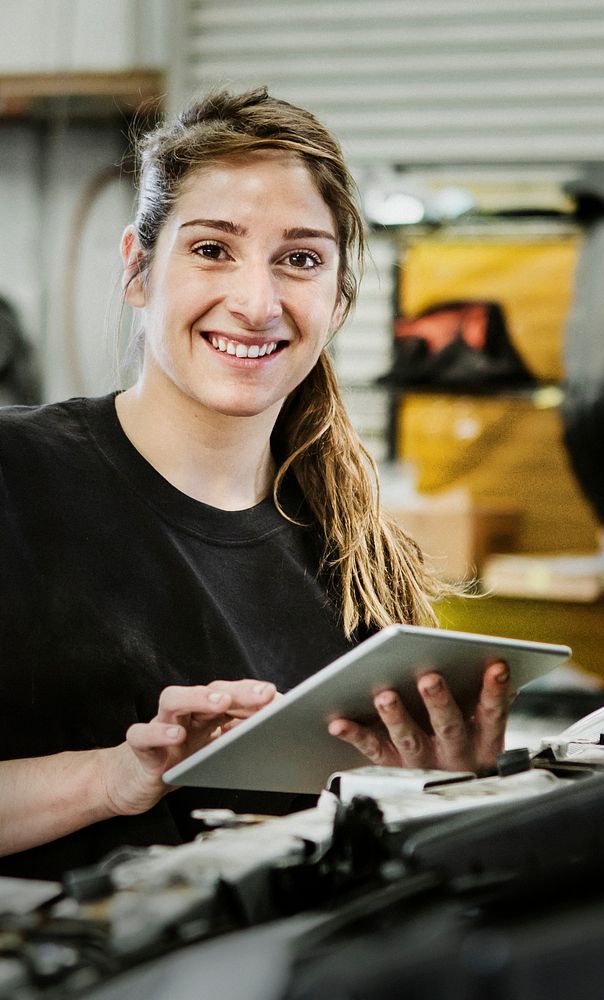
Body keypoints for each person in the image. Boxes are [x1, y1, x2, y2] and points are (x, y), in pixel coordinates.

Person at [0, 87, 511, 882]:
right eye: (212, 249)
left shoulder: (357, 554)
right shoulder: (15, 480)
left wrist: (437, 790)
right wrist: (116, 779)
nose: (255, 302)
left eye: (299, 259)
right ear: (138, 269)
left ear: (338, 297)